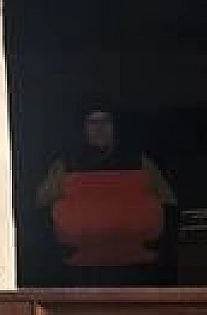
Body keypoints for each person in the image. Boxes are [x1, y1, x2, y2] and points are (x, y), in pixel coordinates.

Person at [36, 109, 178, 286]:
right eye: (92, 123)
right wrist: (59, 249)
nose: (99, 128)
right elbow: (41, 207)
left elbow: (169, 204)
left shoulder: (140, 162)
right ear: (83, 129)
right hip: (81, 271)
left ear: (116, 127)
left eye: (106, 122)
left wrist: (159, 246)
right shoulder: (64, 166)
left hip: (136, 269)